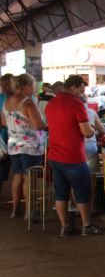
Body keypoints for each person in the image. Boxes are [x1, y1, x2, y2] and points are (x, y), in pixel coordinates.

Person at [45, 75, 103, 236]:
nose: (81, 94)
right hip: (73, 157)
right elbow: (86, 131)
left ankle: (65, 227)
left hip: (55, 156)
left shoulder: (51, 104)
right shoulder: (76, 104)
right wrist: (92, 130)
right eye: (81, 90)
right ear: (73, 87)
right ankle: (87, 225)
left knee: (61, 193)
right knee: (82, 192)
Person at [1, 73, 46, 218]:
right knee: (29, 178)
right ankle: (29, 211)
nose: (34, 88)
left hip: (13, 144)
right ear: (26, 86)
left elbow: (3, 123)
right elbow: (39, 125)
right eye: (33, 85)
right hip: (30, 146)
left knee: (17, 176)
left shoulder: (7, 101)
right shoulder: (27, 103)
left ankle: (15, 210)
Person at [82, 94, 105, 212]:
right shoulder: (91, 112)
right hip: (90, 146)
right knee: (91, 178)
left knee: (75, 178)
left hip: (76, 147)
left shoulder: (71, 112)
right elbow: (102, 131)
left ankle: (77, 207)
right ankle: (91, 207)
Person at [0, 73, 15, 198]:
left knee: (19, 174)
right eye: (3, 85)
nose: (5, 88)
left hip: (18, 142)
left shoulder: (24, 98)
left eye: (8, 85)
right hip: (3, 141)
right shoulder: (0, 98)